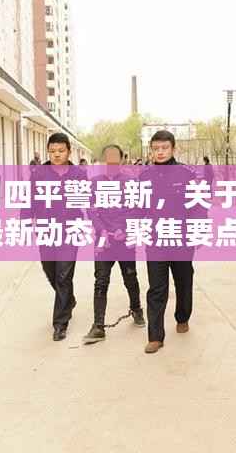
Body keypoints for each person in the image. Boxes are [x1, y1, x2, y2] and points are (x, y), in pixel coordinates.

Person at [83, 144, 145, 345]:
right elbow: (91, 210)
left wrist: (123, 230)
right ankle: (98, 326)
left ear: (122, 160)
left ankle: (136, 309)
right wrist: (102, 230)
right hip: (104, 240)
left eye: (115, 158)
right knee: (101, 281)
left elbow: (137, 209)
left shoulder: (131, 182)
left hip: (124, 239)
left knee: (130, 277)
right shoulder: (94, 183)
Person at [141, 130, 196, 354]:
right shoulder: (144, 176)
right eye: (156, 148)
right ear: (151, 150)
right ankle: (155, 337)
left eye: (164, 148)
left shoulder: (186, 174)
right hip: (155, 240)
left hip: (181, 240)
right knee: (156, 288)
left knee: (183, 282)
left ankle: (182, 317)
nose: (160, 152)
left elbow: (198, 207)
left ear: (173, 149)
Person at [29, 132, 86, 341]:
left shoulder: (78, 174)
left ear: (69, 151)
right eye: (52, 151)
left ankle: (60, 323)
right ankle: (68, 299)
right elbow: (30, 199)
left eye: (61, 151)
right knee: (50, 270)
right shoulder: (38, 173)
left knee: (64, 275)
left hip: (71, 229)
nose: (56, 154)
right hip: (46, 229)